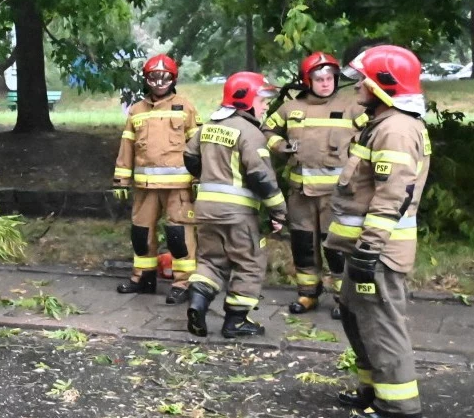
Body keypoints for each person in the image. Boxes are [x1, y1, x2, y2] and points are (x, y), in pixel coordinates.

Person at [324, 45, 429, 418]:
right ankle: (374, 390)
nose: (356, 89)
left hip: (379, 252)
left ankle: (399, 408)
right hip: (363, 248)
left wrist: (369, 250)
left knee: (381, 323)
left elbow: (391, 195)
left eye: (363, 81)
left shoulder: (397, 130)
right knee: (358, 317)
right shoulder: (381, 123)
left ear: (383, 84)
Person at [182, 72, 288, 339]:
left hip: (205, 210)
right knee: (250, 262)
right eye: (262, 99)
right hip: (238, 214)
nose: (265, 105)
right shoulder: (251, 133)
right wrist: (278, 211)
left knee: (210, 260)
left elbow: (189, 156)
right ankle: (236, 322)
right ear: (247, 99)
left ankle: (198, 303)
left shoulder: (209, 126)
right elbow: (261, 177)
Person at [264, 53, 368, 316]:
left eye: (330, 78)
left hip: (337, 196)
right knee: (303, 246)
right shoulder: (290, 108)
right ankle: (308, 294)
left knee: (336, 247)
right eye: (319, 79)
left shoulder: (352, 106)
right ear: (307, 81)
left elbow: (372, 138)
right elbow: (266, 131)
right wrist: (280, 146)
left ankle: (343, 299)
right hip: (301, 195)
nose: (325, 83)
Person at [111, 54, 198, 302]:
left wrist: (199, 179)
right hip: (145, 187)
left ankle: (184, 283)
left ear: (173, 79)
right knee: (140, 234)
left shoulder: (186, 107)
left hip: (178, 188)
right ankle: (143, 277)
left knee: (178, 236)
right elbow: (126, 147)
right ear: (146, 79)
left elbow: (197, 146)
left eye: (165, 77)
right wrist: (121, 180)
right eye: (153, 77)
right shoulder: (136, 110)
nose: (159, 82)